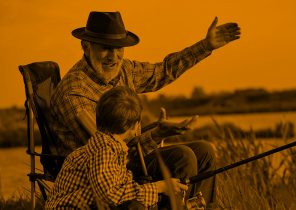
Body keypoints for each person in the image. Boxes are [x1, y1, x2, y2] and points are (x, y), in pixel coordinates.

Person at [50, 11, 240, 208]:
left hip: (126, 154)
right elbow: (109, 148)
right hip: (100, 170)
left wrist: (205, 46)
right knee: (182, 156)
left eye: (119, 49)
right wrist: (156, 135)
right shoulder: (74, 93)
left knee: (205, 150)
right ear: (86, 46)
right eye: (106, 48)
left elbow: (164, 70)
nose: (113, 57)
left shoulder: (125, 69)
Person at [45, 86, 189, 209]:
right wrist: (161, 187)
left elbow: (117, 190)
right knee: (133, 206)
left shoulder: (109, 146)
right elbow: (110, 195)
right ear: (135, 126)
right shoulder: (104, 149)